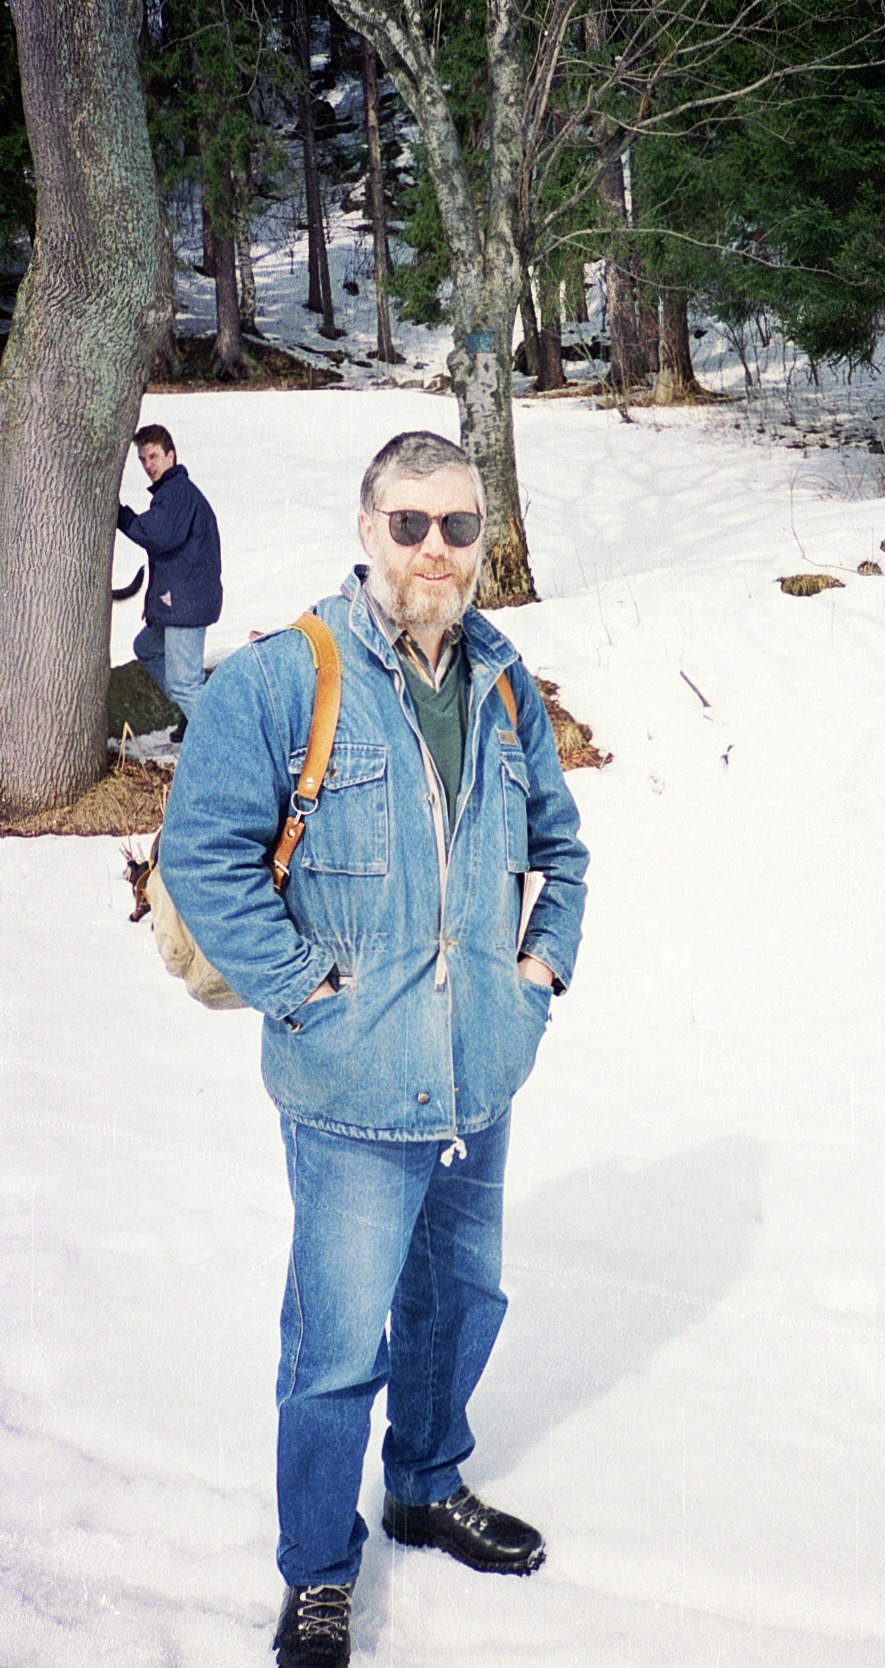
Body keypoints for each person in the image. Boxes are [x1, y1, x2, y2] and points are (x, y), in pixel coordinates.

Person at [157, 431, 589, 1668]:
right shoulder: (284, 678)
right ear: (366, 532)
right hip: (349, 1085)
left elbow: (561, 850)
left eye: (458, 526)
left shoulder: (502, 680)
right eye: (409, 525)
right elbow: (204, 857)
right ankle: (315, 1571)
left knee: (463, 1300)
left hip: (478, 1071)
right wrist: (306, 993)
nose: (436, 550)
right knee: (338, 1345)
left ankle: (423, 1481)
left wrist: (537, 972)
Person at [118, 423, 222, 741]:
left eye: (154, 457)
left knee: (184, 683)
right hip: (179, 599)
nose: (149, 465)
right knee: (146, 647)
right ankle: (194, 713)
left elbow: (157, 535)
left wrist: (120, 515)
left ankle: (223, 742)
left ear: (171, 456)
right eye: (143, 459)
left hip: (186, 604)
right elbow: (173, 554)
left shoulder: (177, 493)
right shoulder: (173, 493)